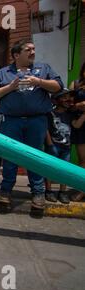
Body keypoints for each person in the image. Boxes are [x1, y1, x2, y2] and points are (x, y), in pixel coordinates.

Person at [0, 39, 63, 212]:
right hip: (11, 121)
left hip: (36, 121)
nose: (32, 52)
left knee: (35, 156)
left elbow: (58, 86)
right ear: (16, 55)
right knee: (10, 155)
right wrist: (10, 87)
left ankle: (38, 192)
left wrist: (39, 82)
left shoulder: (43, 69)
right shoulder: (3, 73)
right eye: (28, 49)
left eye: (34, 49)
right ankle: (6, 191)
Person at [44, 89, 73, 204]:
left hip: (66, 146)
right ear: (56, 100)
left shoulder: (70, 114)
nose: (68, 100)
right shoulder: (51, 113)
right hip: (54, 145)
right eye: (64, 97)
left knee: (65, 170)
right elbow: (45, 129)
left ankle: (62, 192)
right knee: (49, 168)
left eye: (68, 97)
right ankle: (49, 190)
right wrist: (50, 143)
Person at [69, 62, 85, 202]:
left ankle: (81, 191)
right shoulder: (76, 84)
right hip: (80, 124)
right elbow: (68, 104)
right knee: (82, 160)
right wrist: (79, 105)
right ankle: (81, 188)